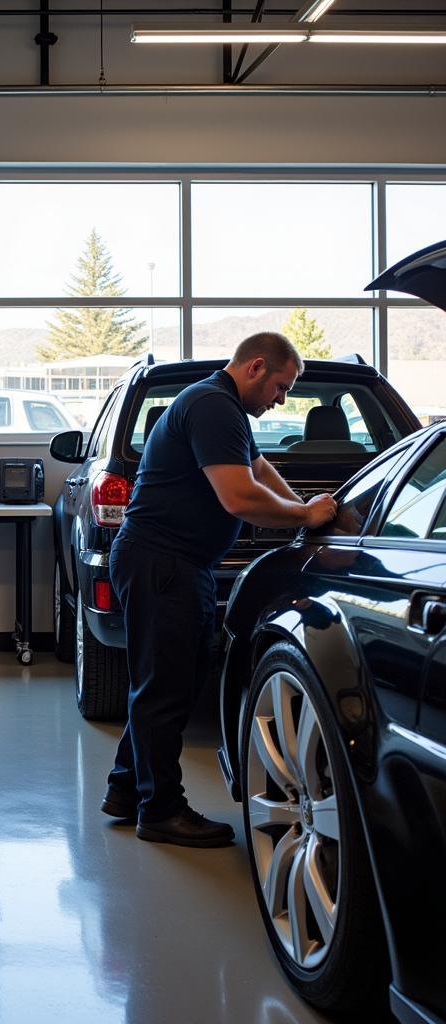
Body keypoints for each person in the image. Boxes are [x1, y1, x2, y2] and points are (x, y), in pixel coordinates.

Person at [101, 332, 338, 848]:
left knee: (168, 684)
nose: (280, 399)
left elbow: (258, 469)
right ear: (256, 367)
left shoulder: (222, 406)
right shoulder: (212, 405)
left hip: (175, 563)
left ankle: (126, 790)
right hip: (162, 563)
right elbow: (237, 497)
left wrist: (301, 511)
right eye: (280, 386)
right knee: (166, 689)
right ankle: (160, 810)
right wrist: (303, 515)